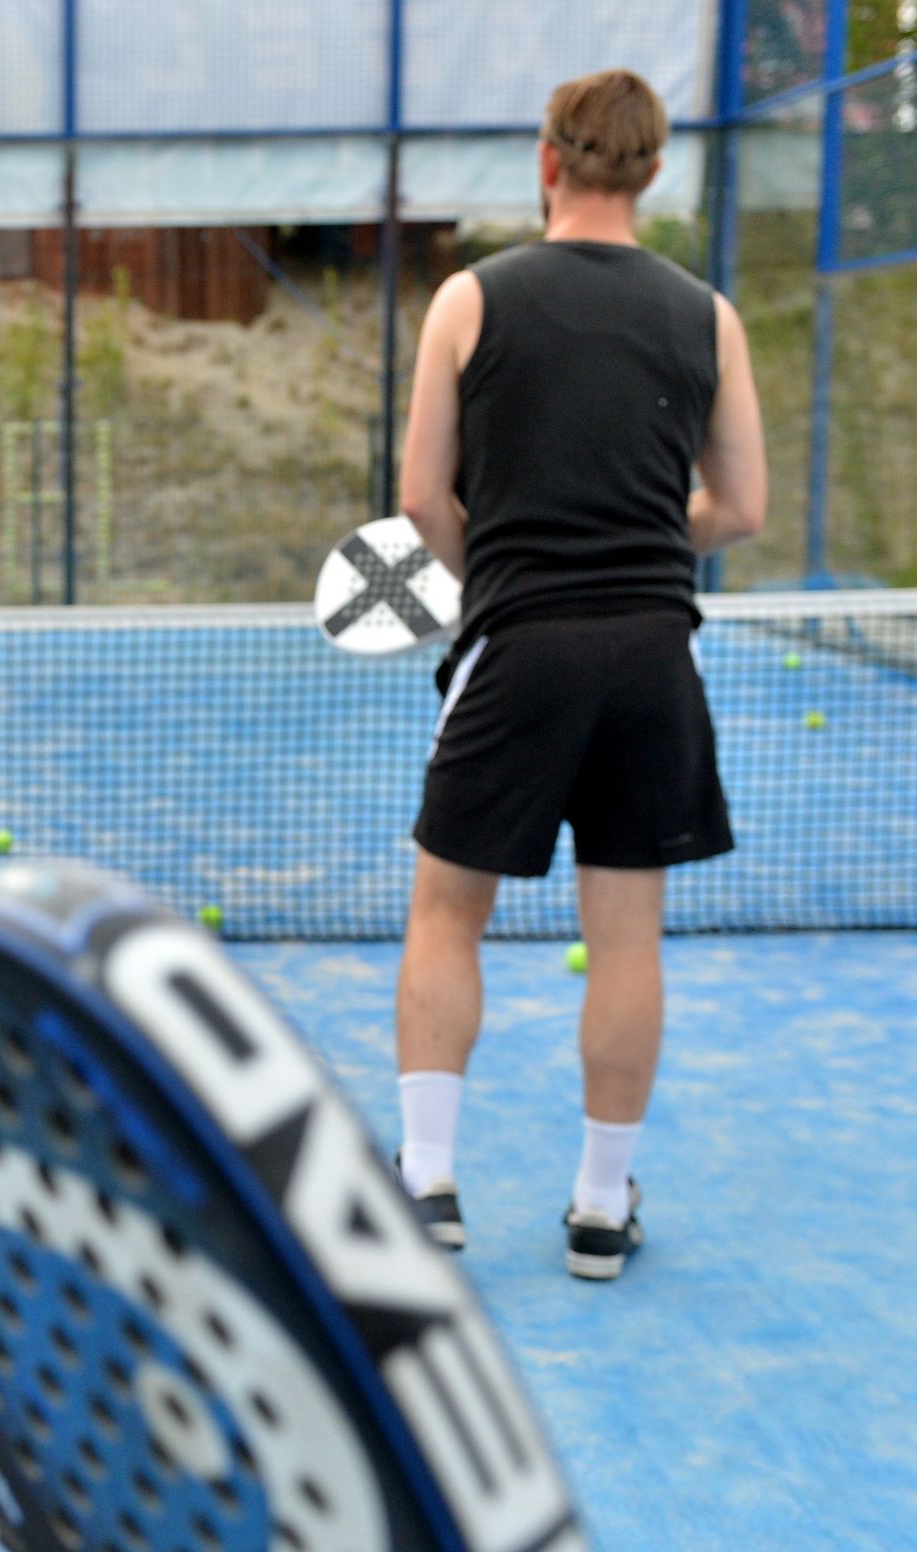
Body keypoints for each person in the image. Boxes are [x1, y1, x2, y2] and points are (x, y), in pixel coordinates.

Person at [391, 69, 767, 1280]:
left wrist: (493, 565)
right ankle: (599, 1208)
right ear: (651, 174)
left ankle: (425, 1188)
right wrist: (652, 535)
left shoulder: (465, 300)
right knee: (626, 939)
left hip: (519, 645)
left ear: (545, 162)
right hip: (653, 651)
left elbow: (416, 498)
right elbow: (741, 509)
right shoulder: (707, 315)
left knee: (448, 912)